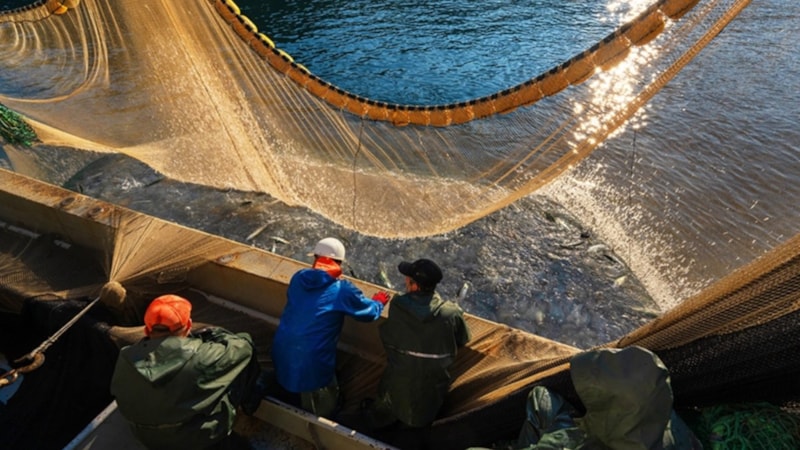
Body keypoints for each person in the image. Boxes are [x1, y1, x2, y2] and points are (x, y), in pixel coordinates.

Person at [110, 294, 261, 450]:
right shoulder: (202, 357)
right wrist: (215, 334)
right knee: (235, 367)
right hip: (199, 440)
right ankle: (248, 408)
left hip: (147, 438)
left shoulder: (126, 356)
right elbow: (243, 347)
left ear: (147, 330)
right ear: (189, 325)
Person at [271, 237, 390, 418]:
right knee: (322, 402)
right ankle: (322, 411)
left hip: (281, 349)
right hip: (312, 361)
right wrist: (378, 302)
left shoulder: (298, 277)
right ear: (339, 263)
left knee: (291, 376)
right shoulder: (341, 289)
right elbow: (368, 313)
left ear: (315, 258)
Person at [365, 258, 471, 435]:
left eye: (408, 279)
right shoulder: (450, 313)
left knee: (388, 403)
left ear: (414, 285)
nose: (405, 280)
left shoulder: (398, 304)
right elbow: (463, 339)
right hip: (432, 392)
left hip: (396, 383)